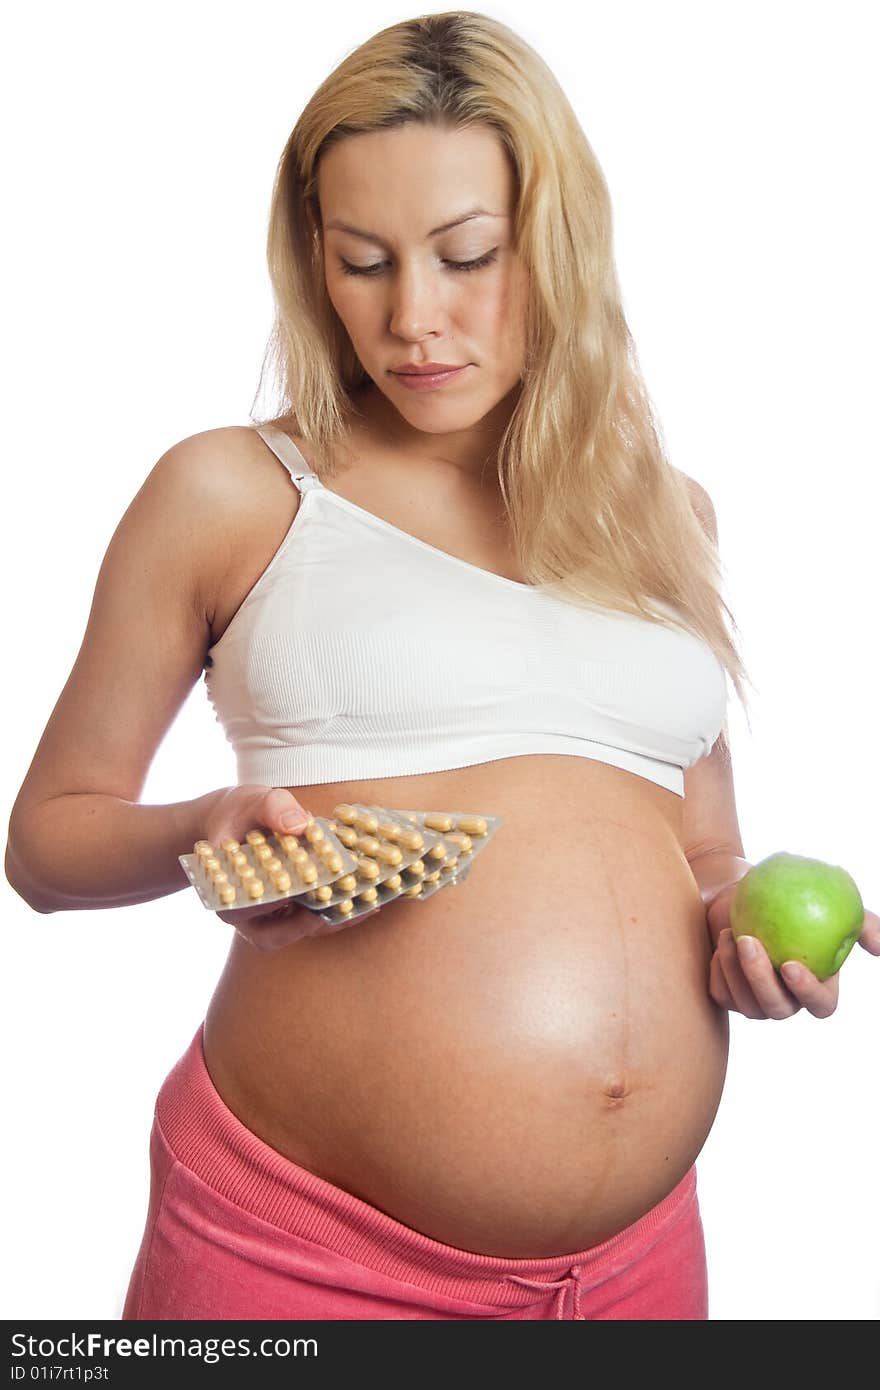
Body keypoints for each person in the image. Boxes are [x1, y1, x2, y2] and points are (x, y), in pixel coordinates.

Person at [5, 11, 878, 1322]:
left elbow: (703, 848)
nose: (413, 319)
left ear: (562, 246)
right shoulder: (237, 491)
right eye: (364, 263)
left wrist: (739, 922)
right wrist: (205, 827)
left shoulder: (667, 514)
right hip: (299, 1258)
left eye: (469, 255)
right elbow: (45, 840)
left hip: (639, 1265)